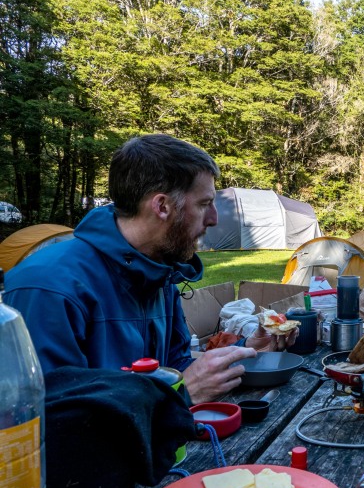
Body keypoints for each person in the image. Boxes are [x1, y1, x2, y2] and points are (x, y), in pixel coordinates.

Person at [4, 134, 295, 404]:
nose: (214, 219)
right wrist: (176, 397)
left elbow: (178, 366)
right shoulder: (49, 285)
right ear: (162, 206)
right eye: (205, 204)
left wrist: (248, 351)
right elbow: (49, 417)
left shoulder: (159, 272)